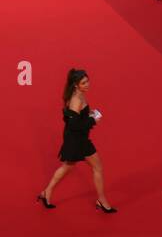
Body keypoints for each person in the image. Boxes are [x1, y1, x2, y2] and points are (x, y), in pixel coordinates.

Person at [37, 69, 115, 212]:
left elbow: (74, 119)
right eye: (83, 83)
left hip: (78, 138)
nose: (87, 85)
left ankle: (46, 193)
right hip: (77, 140)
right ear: (75, 85)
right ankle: (101, 200)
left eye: (87, 81)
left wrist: (89, 115)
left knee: (67, 167)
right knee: (97, 167)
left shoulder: (79, 95)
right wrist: (93, 119)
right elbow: (74, 125)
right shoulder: (76, 100)